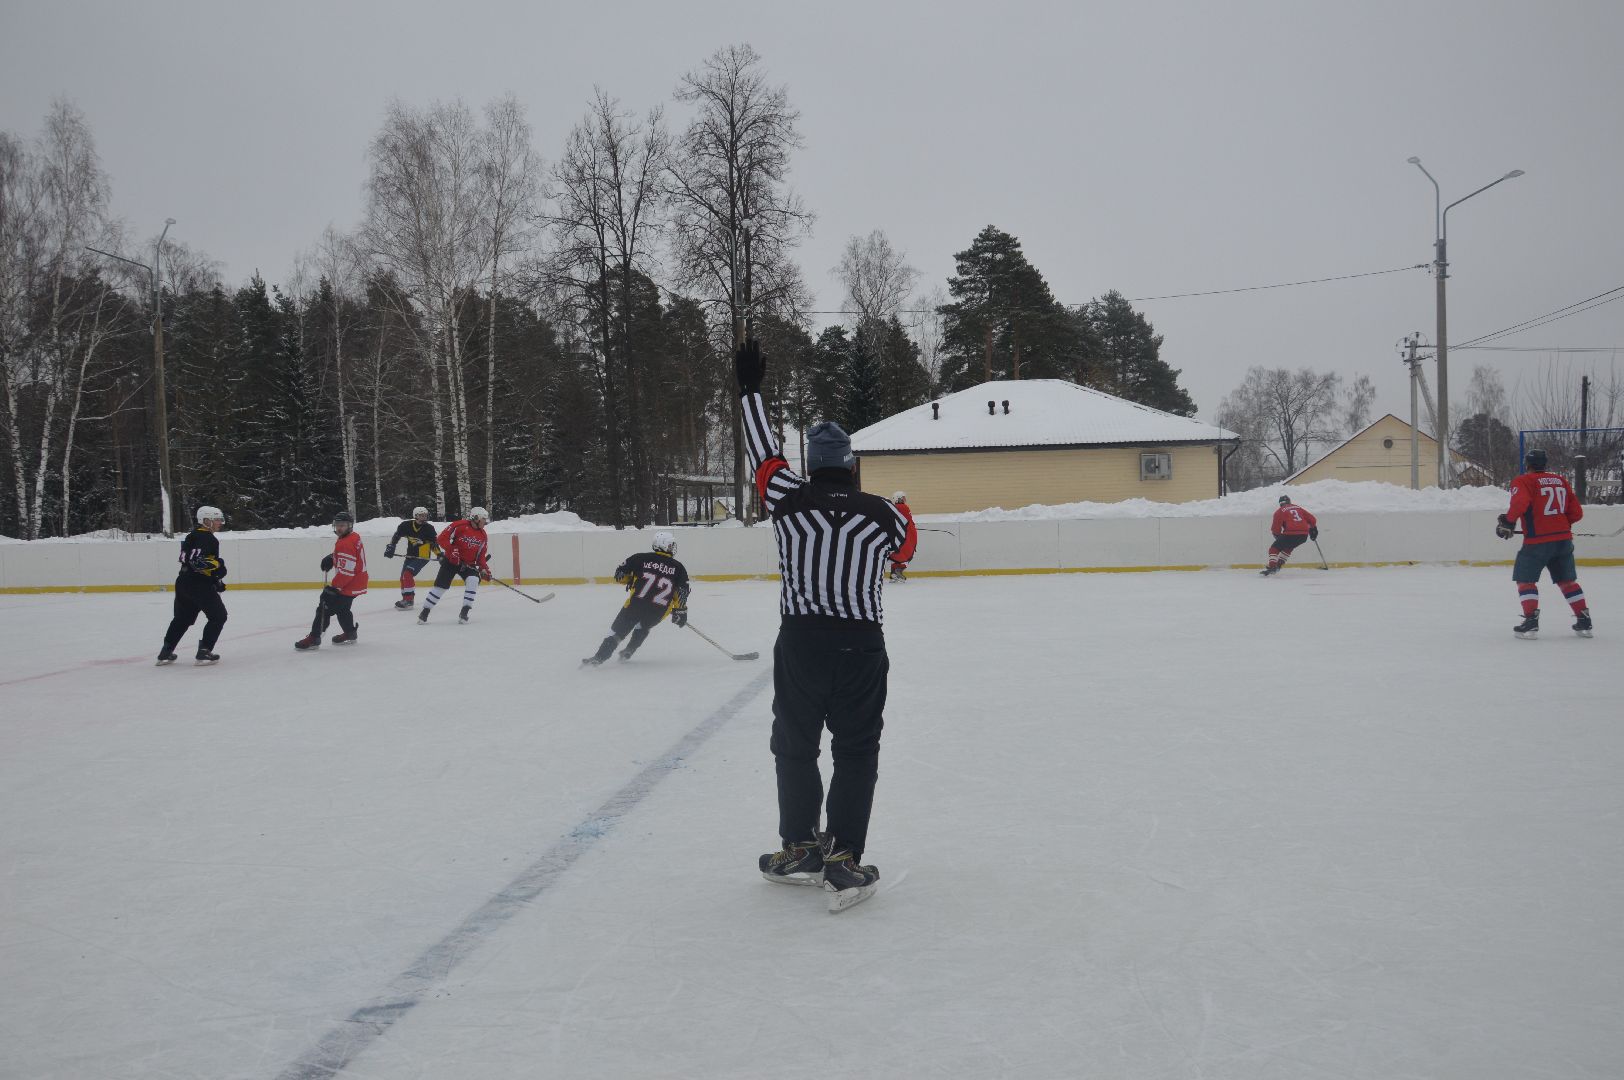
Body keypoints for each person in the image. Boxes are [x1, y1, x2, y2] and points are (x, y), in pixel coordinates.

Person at [737, 338, 910, 912]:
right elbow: (905, 550)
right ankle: (845, 856)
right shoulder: (883, 511)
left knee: (795, 745)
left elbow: (763, 454)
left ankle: (800, 847)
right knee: (857, 749)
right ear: (853, 465)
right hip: (862, 644)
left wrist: (750, 393)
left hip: (803, 642)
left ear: (811, 464)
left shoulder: (786, 497)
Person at [1498, 448, 1593, 639]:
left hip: (1537, 542)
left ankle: (1531, 622)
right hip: (1563, 540)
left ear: (1528, 464)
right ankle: (1584, 621)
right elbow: (1576, 513)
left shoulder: (1523, 480)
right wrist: (1558, 525)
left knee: (1525, 580)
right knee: (1567, 581)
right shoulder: (1561, 480)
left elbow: (1520, 503)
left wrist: (1508, 522)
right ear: (1545, 464)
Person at [581, 531, 691, 665]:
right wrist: (680, 611)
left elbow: (620, 576)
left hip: (635, 605)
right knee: (643, 626)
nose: (672, 548)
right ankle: (630, 649)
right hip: (659, 610)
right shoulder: (679, 568)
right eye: (670, 545)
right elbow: (681, 593)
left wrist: (631, 579)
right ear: (663, 545)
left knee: (617, 632)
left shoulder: (639, 558)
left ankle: (599, 657)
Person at [157, 505, 229, 665]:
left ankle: (166, 651)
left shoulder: (191, 536)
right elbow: (199, 563)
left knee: (182, 619)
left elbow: (188, 560)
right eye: (217, 519)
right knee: (218, 616)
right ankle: (204, 650)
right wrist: (219, 566)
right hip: (198, 584)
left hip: (183, 582)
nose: (220, 523)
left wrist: (216, 580)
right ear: (206, 521)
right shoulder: (208, 538)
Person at [295, 511, 370, 650]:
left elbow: (347, 572)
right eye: (337, 525)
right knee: (342, 609)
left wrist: (334, 588)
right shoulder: (353, 537)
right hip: (358, 581)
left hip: (348, 584)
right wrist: (332, 557)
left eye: (343, 525)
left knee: (324, 608)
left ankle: (314, 638)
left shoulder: (345, 543)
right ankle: (350, 633)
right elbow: (350, 556)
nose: (339, 528)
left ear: (349, 526)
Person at [418, 507, 492, 624]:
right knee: (440, 587)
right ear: (476, 518)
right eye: (484, 519)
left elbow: (481, 556)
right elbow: (441, 538)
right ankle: (425, 611)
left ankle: (464, 612)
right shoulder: (459, 526)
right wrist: (451, 550)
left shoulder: (483, 535)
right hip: (450, 562)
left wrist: (484, 569)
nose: (486, 522)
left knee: (473, 579)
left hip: (468, 565)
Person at [383, 506, 440, 609]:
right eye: (421, 515)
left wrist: (440, 555)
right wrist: (391, 547)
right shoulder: (406, 525)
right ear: (415, 516)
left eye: (425, 515)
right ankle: (406, 599)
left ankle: (409, 601)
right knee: (403, 578)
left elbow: (434, 544)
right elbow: (397, 536)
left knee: (407, 574)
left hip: (423, 556)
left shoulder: (429, 528)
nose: (424, 517)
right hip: (410, 555)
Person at [1261, 494, 1318, 576]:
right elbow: (1312, 519)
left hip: (1290, 534)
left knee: (1274, 549)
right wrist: (1313, 529)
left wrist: (1277, 536)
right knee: (1288, 547)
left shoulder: (1279, 511)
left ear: (1280, 503)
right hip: (1303, 536)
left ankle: (1273, 567)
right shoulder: (1298, 508)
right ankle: (1279, 565)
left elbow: (1275, 528)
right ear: (1289, 501)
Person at [887, 492, 919, 582]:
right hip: (907, 535)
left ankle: (894, 573)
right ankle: (898, 571)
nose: (904, 500)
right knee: (907, 554)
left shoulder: (893, 507)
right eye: (902, 498)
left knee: (896, 553)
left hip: (900, 534)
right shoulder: (903, 507)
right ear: (898, 498)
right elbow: (907, 521)